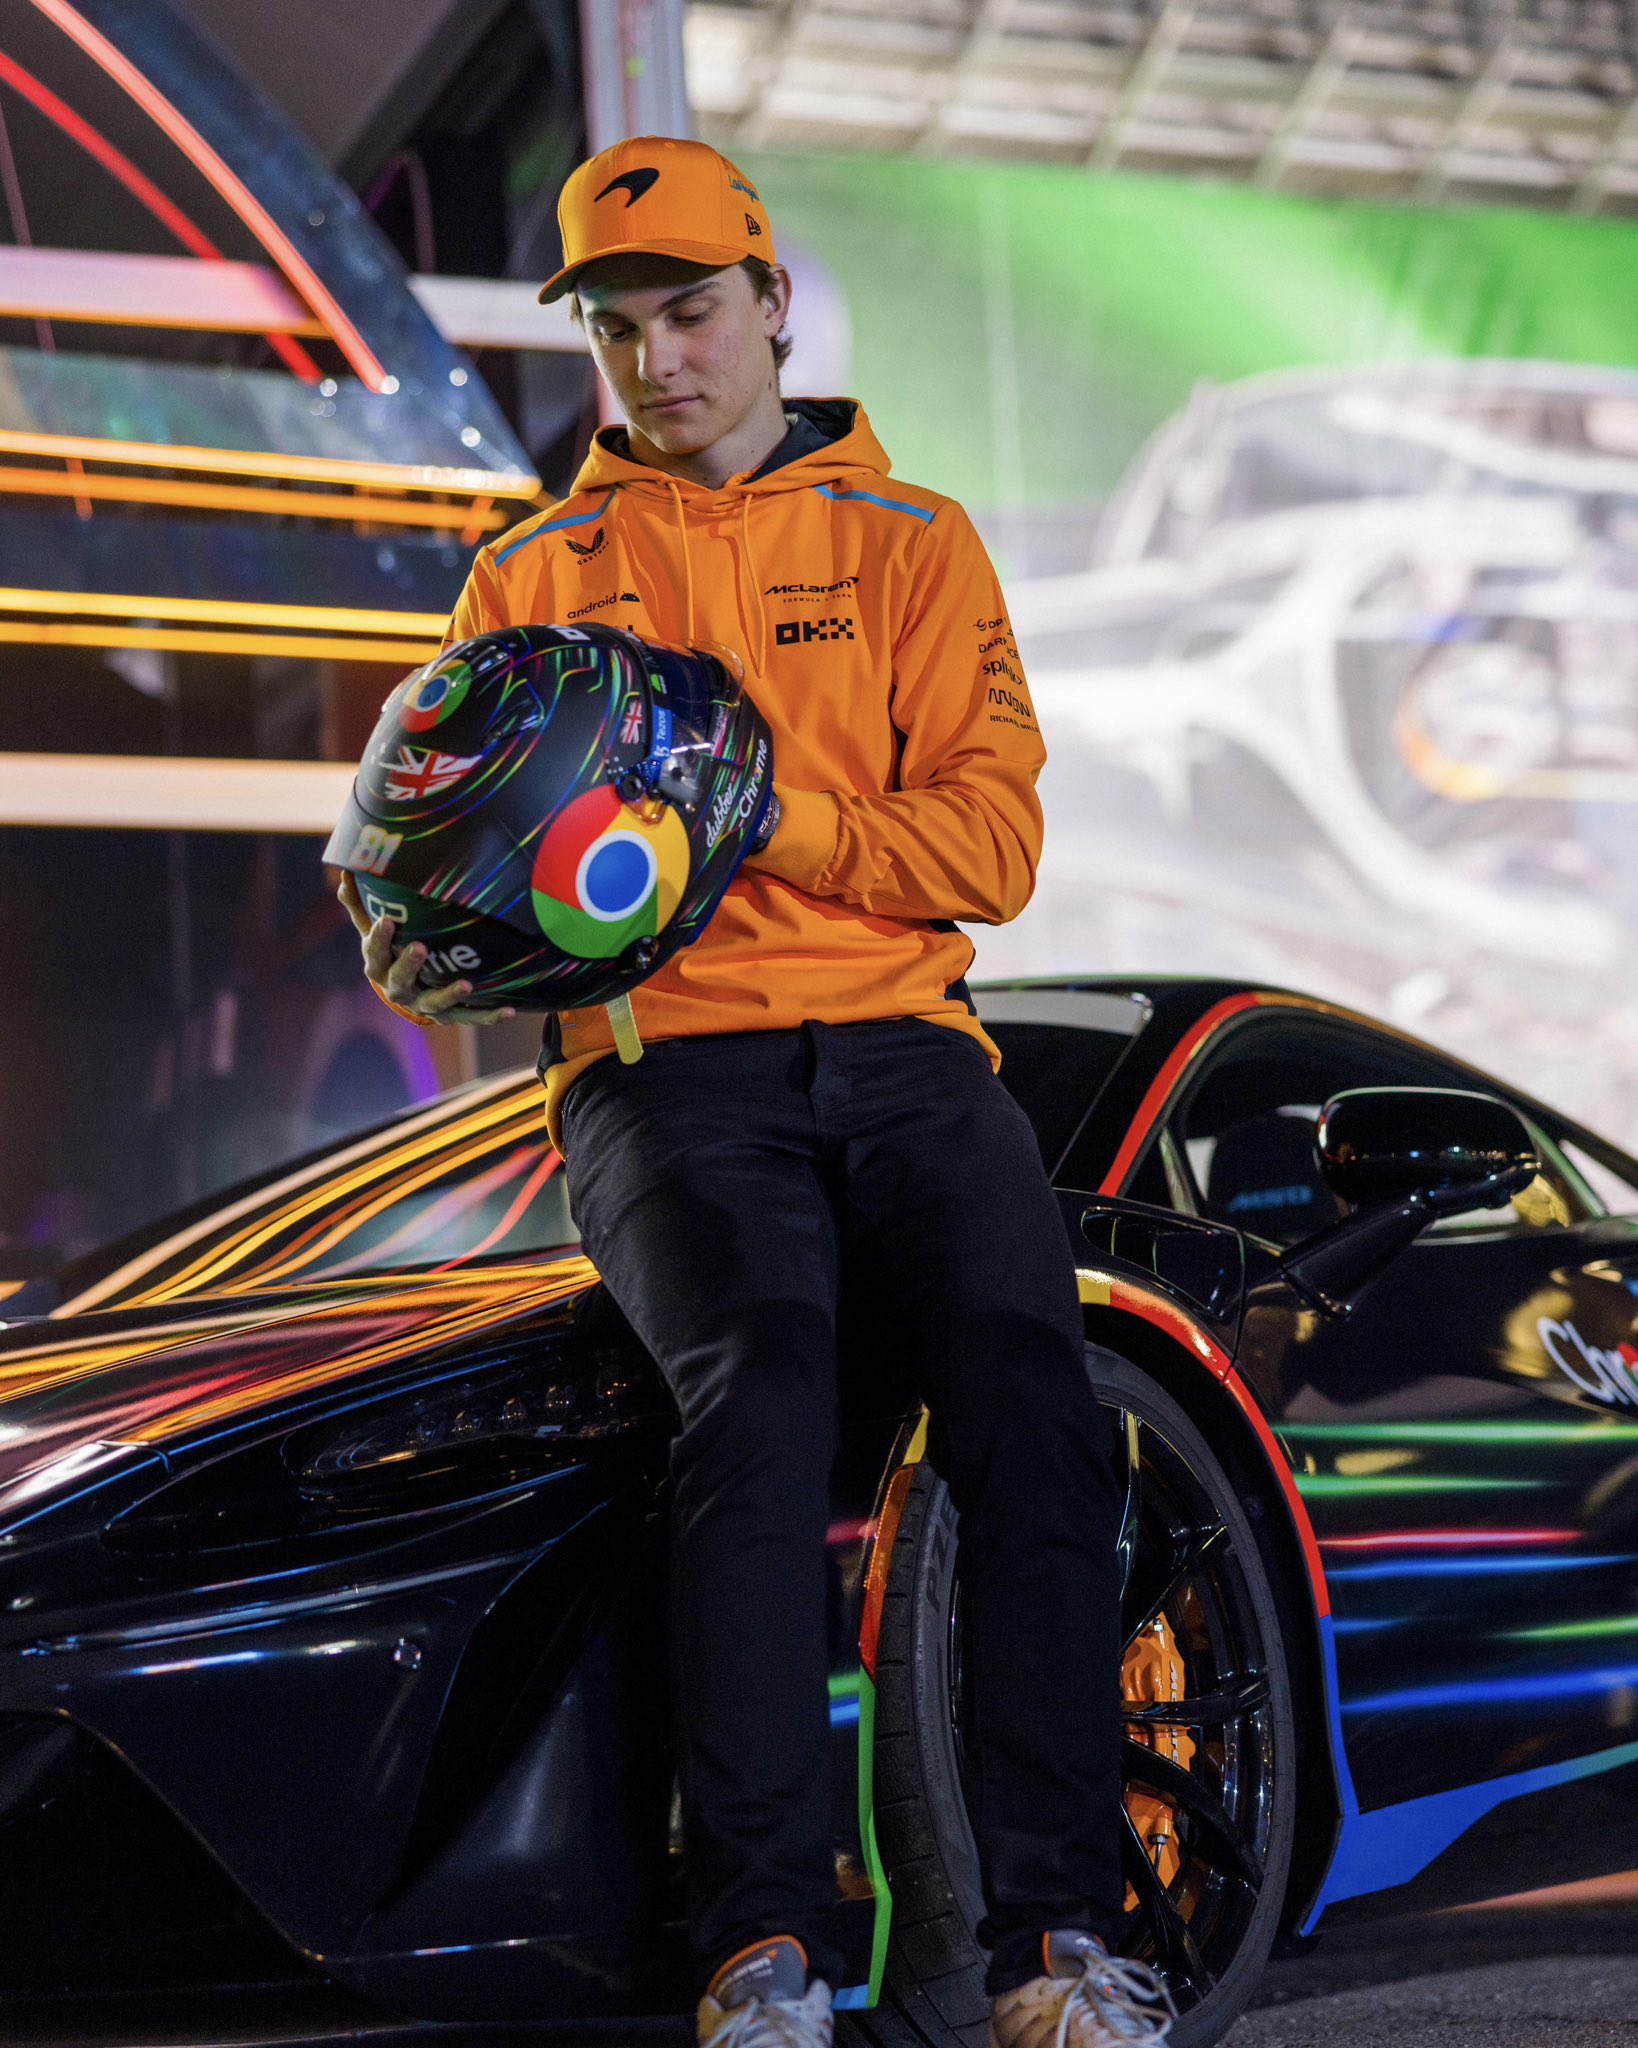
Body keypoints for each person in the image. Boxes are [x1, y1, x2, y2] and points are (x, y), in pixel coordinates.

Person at [339, 134, 1173, 2048]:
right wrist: (422, 928)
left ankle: (1057, 1952)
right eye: (617, 329)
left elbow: (989, 851)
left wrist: (748, 814)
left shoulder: (912, 543)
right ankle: (761, 1956)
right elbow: (448, 874)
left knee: (1034, 1406)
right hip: (662, 1076)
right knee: (757, 1403)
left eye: (692, 313)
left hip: (908, 1049)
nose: (657, 362)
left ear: (773, 298)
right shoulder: (527, 581)